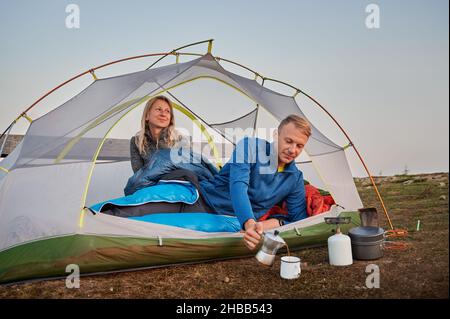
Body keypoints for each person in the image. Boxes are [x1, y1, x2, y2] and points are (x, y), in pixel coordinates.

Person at [199, 115, 311, 250]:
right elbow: (238, 186)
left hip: (232, 222)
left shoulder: (295, 178)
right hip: (203, 200)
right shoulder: (249, 146)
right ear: (276, 135)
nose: (293, 150)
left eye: (299, 146)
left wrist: (267, 224)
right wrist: (249, 223)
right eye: (288, 141)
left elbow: (299, 220)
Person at [130, 95, 184, 173]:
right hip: (150, 184)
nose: (163, 114)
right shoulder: (136, 142)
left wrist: (163, 139)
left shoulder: (180, 140)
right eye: (159, 109)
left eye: (167, 111)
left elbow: (184, 170)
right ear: (147, 115)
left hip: (176, 183)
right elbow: (138, 175)